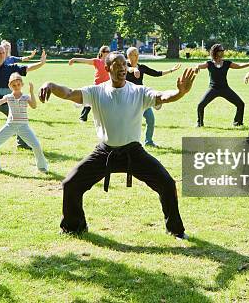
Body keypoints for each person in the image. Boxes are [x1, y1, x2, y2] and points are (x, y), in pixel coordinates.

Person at [38, 53, 197, 239]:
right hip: (104, 152)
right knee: (71, 184)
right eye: (117, 64)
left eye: (124, 64)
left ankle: (176, 230)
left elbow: (162, 96)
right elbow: (69, 93)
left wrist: (180, 93)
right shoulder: (96, 92)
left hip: (133, 152)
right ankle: (74, 226)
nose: (122, 68)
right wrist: (49, 84)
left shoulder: (138, 91)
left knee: (167, 184)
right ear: (107, 69)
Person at [0, 73, 48, 173]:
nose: (16, 87)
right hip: (10, 125)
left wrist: (31, 92)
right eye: (14, 85)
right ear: (10, 86)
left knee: (36, 145)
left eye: (18, 84)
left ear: (22, 84)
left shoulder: (26, 97)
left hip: (23, 126)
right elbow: (0, 101)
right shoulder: (8, 97)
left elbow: (34, 106)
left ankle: (42, 167)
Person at [125, 46, 180, 147]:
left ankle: (148, 141)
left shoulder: (142, 67)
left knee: (151, 119)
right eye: (134, 54)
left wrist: (171, 70)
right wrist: (134, 69)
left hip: (141, 98)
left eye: (137, 54)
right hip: (128, 99)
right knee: (130, 122)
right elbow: (128, 69)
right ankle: (127, 142)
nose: (137, 56)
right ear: (128, 56)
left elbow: (156, 73)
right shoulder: (124, 66)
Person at [194, 44, 249, 128]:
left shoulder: (227, 63)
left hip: (225, 89)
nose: (222, 52)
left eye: (223, 50)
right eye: (221, 51)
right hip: (213, 89)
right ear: (215, 52)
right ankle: (200, 123)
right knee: (200, 105)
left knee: (240, 104)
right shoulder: (209, 63)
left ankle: (237, 123)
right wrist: (197, 67)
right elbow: (200, 66)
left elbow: (239, 66)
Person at [68, 46, 111, 122]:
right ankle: (83, 116)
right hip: (97, 85)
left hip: (107, 85)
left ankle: (105, 118)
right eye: (105, 51)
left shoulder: (110, 62)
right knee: (91, 101)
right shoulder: (97, 61)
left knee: (104, 101)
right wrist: (74, 59)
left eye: (108, 51)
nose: (107, 53)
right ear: (101, 53)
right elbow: (85, 60)